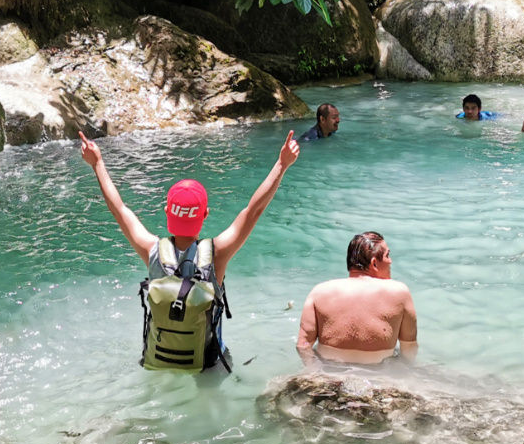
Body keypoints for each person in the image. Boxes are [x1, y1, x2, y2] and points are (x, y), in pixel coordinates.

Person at [78, 129, 300, 371]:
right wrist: (282, 164)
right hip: (206, 364)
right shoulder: (217, 253)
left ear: (167, 211)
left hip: (159, 359)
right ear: (205, 214)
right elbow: (252, 211)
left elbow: (119, 208)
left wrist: (97, 163)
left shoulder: (151, 249)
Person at [295, 232, 418, 368]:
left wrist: (316, 372)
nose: (391, 261)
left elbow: (303, 345)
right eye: (387, 255)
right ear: (374, 263)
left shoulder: (319, 292)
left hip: (329, 374)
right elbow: (409, 348)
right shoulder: (399, 292)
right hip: (379, 378)